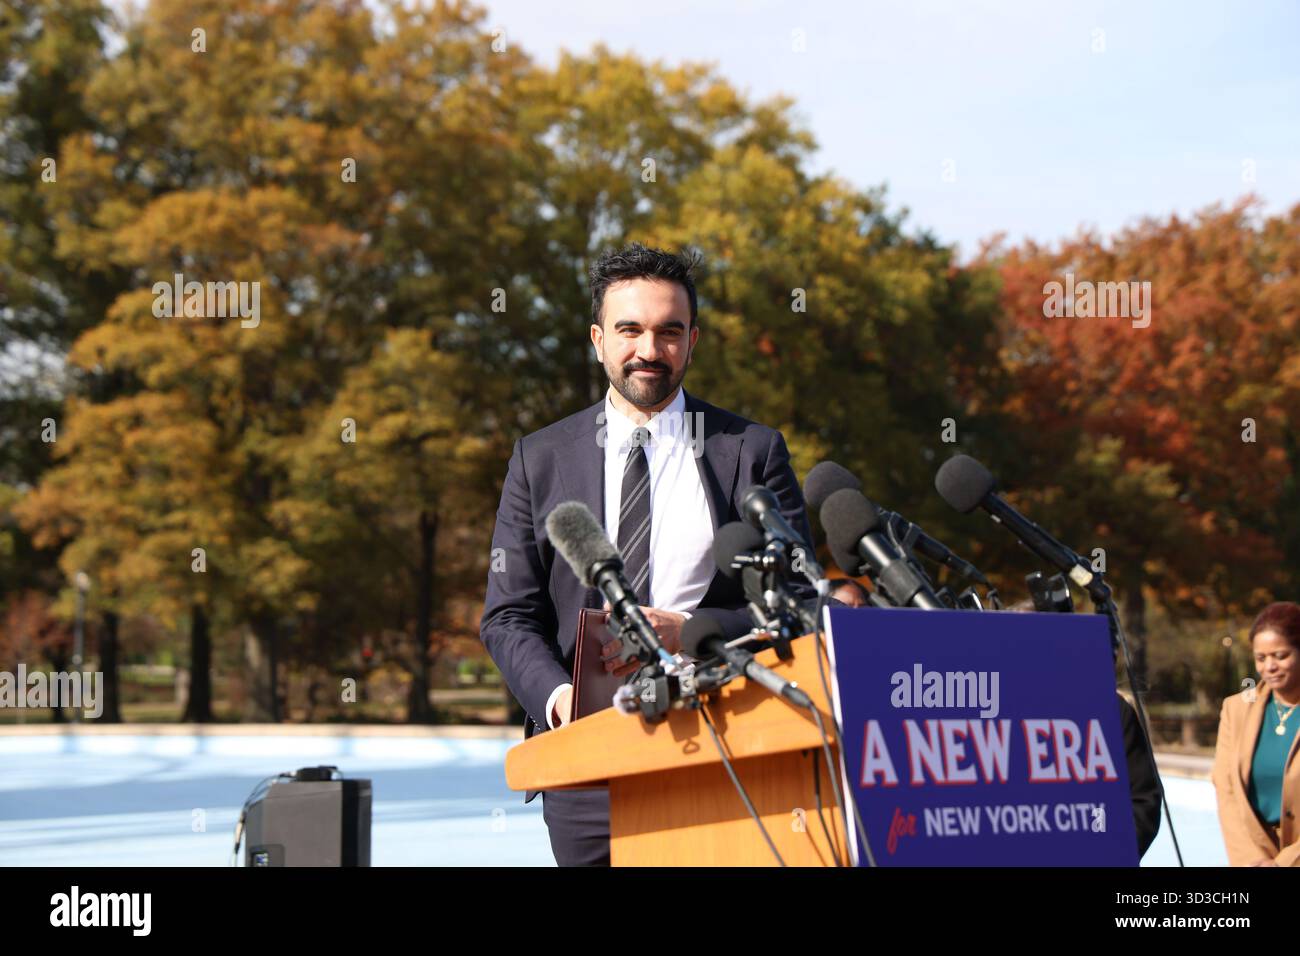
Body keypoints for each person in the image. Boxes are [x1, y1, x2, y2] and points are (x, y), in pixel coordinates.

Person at [479, 243, 816, 866]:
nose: (648, 350)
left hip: (726, 744)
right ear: (598, 338)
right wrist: (560, 699)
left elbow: (800, 604)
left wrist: (691, 632)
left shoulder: (752, 451)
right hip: (585, 761)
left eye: (669, 332)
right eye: (629, 329)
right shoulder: (540, 458)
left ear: (693, 341)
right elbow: (507, 616)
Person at [1212, 601, 1300, 866]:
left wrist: (1285, 863)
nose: (1269, 666)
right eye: (1261, 658)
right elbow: (1226, 790)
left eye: (1280, 655)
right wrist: (1253, 860)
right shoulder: (1236, 709)